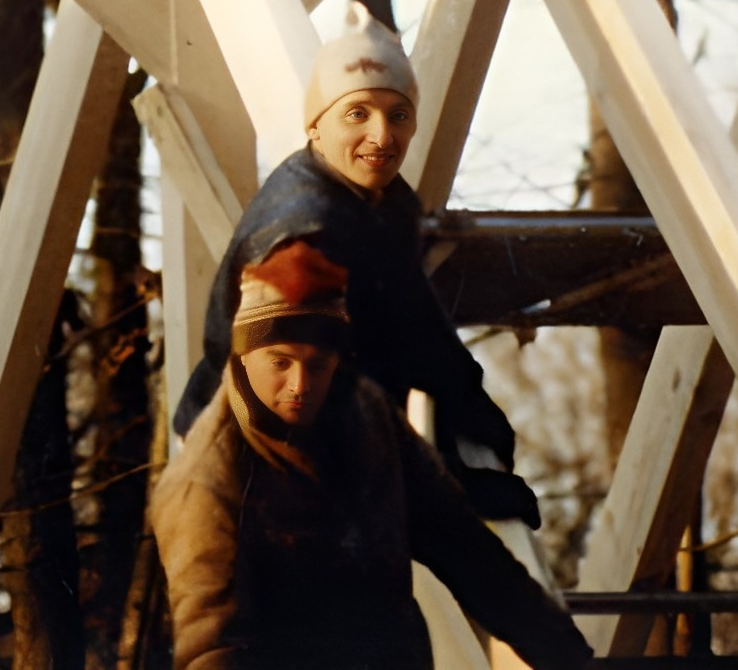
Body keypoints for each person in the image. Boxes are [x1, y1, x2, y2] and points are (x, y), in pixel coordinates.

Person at [175, 5, 539, 527]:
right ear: (316, 125)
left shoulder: (383, 203)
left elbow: (418, 326)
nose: (382, 137)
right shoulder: (303, 244)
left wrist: (471, 407)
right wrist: (454, 489)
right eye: (357, 113)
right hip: (252, 471)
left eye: (398, 115)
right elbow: (295, 410)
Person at [150, 243, 591, 670]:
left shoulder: (369, 417)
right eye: (280, 362)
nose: (301, 384)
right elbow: (212, 654)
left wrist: (570, 659)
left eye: (318, 364)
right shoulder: (205, 484)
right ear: (244, 357)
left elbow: (469, 553)